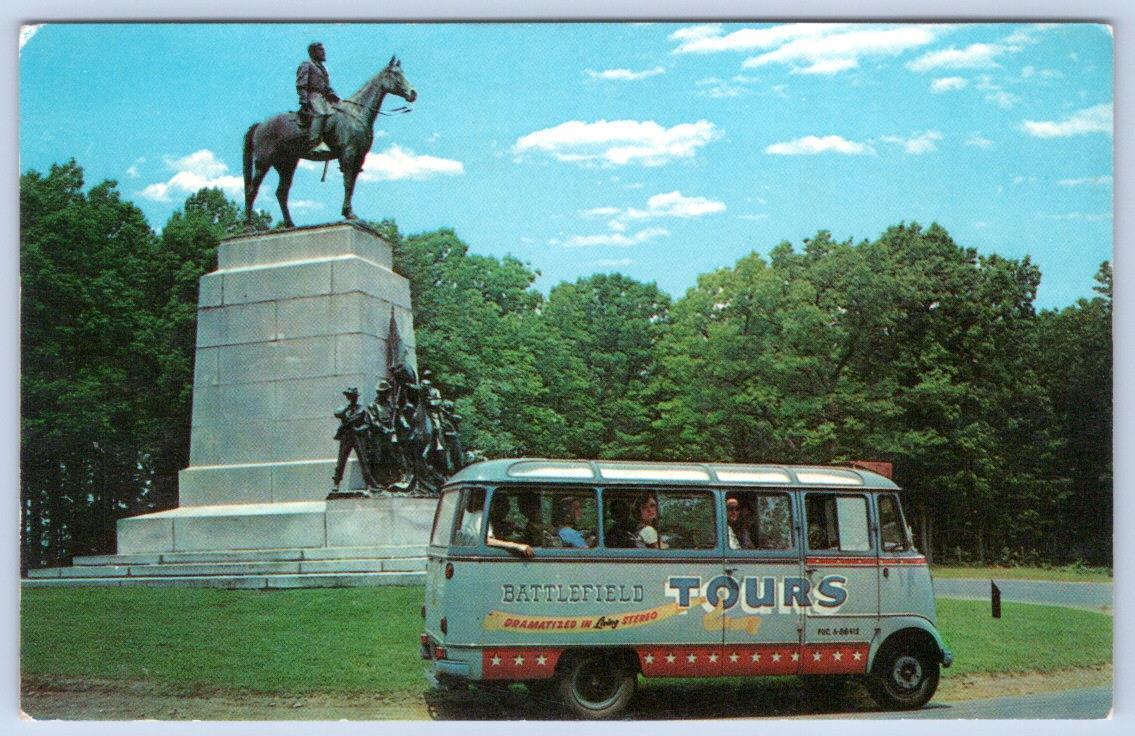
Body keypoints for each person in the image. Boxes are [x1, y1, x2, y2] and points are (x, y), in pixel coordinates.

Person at [296, 41, 340, 151]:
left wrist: (333, 94)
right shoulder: (307, 64)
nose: (324, 52)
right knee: (320, 113)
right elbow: (301, 84)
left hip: (324, 97)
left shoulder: (322, 68)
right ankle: (314, 143)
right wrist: (304, 100)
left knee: (338, 113)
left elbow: (326, 86)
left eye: (323, 50)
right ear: (313, 52)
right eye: (321, 50)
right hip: (313, 95)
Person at [486, 493, 534, 557]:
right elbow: (487, 540)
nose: (506, 510)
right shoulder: (483, 518)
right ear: (493, 506)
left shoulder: (498, 522)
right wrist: (516, 546)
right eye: (502, 506)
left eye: (507, 506)